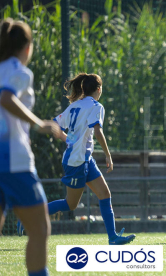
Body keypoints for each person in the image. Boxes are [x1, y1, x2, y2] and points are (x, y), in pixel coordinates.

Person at [17, 73, 136, 245]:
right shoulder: (96, 106)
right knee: (70, 204)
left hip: (84, 159)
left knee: (104, 194)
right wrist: (108, 155)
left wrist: (69, 139)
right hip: (76, 162)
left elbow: (55, 125)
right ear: (98, 89)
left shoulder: (74, 106)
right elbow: (97, 131)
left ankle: (113, 237)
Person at [0, 18, 61, 276]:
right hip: (13, 161)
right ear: (27, 47)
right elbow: (6, 97)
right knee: (39, 230)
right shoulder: (20, 72)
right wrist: (39, 125)